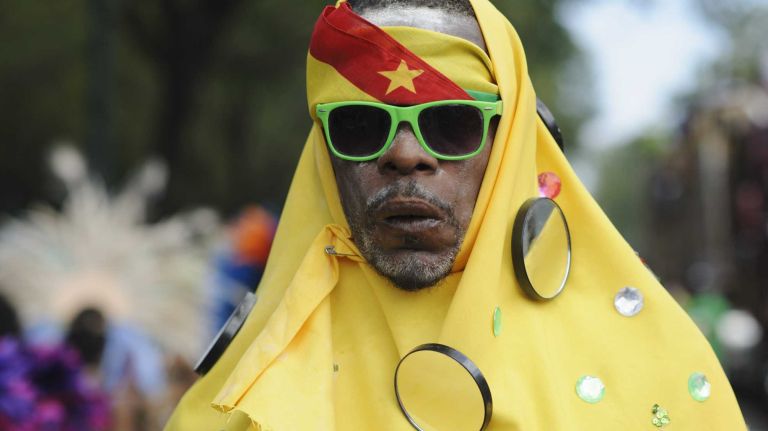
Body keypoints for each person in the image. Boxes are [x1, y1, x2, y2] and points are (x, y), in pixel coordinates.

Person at [165, 0, 747, 429]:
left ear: (509, 141)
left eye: (452, 123)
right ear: (325, 155)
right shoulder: (238, 400)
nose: (406, 155)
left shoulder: (656, 377)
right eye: (360, 126)